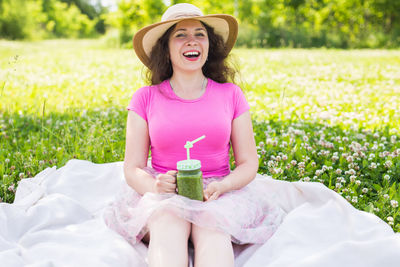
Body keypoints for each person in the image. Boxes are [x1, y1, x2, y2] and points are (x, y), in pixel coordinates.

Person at [104, 3, 284, 267]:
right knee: (167, 224)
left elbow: (248, 163)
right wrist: (154, 187)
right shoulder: (146, 98)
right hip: (165, 191)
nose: (192, 41)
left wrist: (223, 186)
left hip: (218, 191)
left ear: (209, 44)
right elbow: (132, 168)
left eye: (200, 34)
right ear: (165, 47)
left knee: (213, 228)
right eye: (181, 34)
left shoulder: (230, 95)